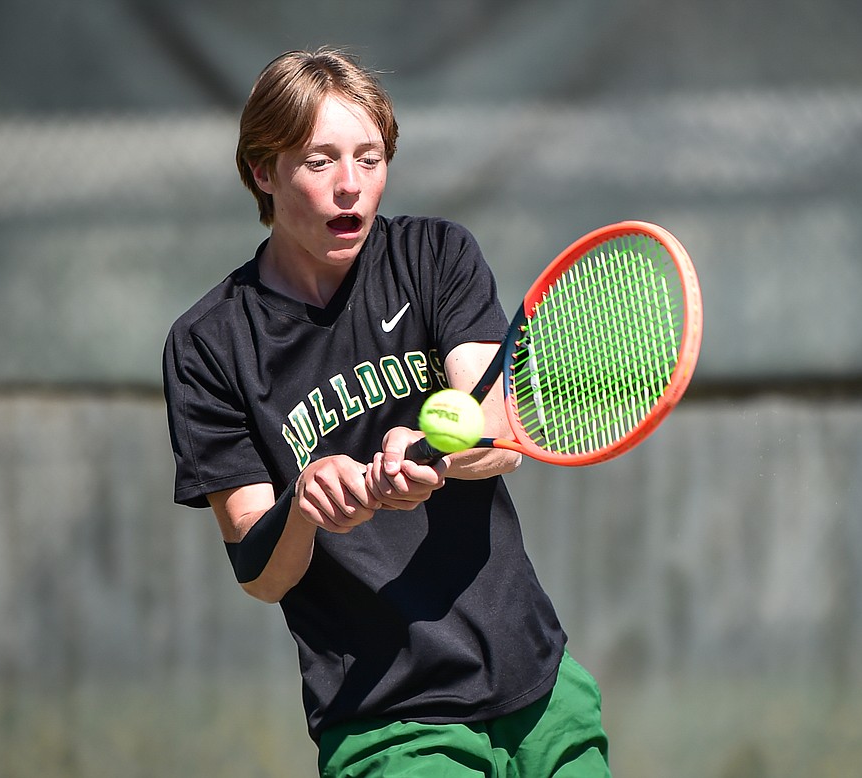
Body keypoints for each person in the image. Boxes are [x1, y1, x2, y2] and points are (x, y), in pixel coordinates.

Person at [162, 47, 612, 776]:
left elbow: (498, 433)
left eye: (370, 159)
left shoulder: (436, 258)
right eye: (319, 161)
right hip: (388, 724)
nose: (351, 187)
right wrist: (304, 502)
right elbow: (258, 568)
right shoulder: (208, 345)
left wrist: (435, 447)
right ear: (262, 171)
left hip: (539, 686)